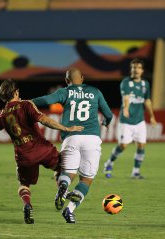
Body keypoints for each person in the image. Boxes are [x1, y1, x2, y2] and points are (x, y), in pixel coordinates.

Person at [0, 79, 83, 224]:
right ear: (16, 91)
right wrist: (66, 128)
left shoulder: (2, 114)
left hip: (23, 155)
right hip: (41, 148)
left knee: (24, 185)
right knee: (62, 168)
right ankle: (63, 190)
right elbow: (43, 119)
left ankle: (27, 204)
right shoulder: (26, 105)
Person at [32, 68, 113, 223]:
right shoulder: (95, 91)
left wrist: (27, 103)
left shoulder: (66, 92)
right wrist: (106, 121)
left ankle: (63, 187)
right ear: (82, 78)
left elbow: (46, 100)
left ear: (66, 80)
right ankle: (69, 210)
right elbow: (108, 114)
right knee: (87, 179)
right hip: (92, 138)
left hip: (71, 137)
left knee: (67, 174)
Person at [103, 58, 157, 179]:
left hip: (140, 121)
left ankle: (135, 172)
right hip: (126, 121)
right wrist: (126, 108)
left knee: (141, 145)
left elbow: (147, 100)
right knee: (123, 146)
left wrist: (152, 117)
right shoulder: (126, 82)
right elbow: (126, 97)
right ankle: (109, 163)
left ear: (142, 70)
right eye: (133, 68)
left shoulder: (145, 84)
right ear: (131, 69)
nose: (135, 70)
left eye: (138, 67)